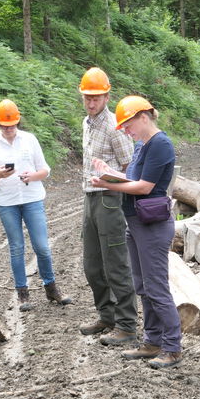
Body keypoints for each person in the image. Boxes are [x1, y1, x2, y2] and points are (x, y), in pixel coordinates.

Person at [91, 95, 182, 369]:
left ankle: (172, 347)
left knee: (157, 287)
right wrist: (111, 174)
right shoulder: (143, 146)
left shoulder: (160, 144)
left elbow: (144, 187)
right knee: (142, 286)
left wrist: (111, 186)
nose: (125, 130)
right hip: (136, 222)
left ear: (144, 117)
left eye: (127, 124)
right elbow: (133, 180)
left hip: (152, 226)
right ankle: (152, 341)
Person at [0, 99, 71, 312]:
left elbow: (45, 170)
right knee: (16, 248)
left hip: (32, 198)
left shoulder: (30, 140)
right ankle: (22, 293)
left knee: (42, 246)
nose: (8, 129)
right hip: (7, 203)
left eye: (11, 125)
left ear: (18, 122)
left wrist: (32, 175)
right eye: (4, 126)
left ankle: (51, 288)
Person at [78, 67, 138, 345]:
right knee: (92, 264)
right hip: (89, 198)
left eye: (97, 98)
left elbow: (130, 166)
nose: (91, 103)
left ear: (106, 96)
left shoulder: (115, 126)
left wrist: (117, 187)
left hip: (110, 200)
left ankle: (126, 324)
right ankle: (106, 315)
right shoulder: (86, 123)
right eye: (87, 97)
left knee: (115, 263)